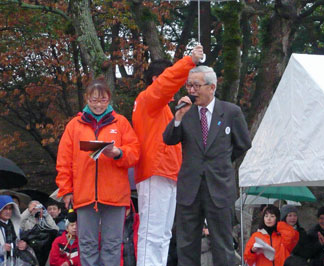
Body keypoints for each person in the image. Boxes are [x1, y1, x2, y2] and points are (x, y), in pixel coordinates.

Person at [163, 65, 252, 266]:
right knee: (186, 245)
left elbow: (242, 144)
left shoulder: (231, 112)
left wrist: (221, 162)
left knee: (223, 243)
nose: (192, 90)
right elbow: (168, 139)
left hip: (219, 187)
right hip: (190, 188)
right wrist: (178, 117)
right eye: (189, 85)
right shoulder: (186, 112)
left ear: (211, 87)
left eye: (196, 85)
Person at [132, 45, 204, 266]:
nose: (178, 84)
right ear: (156, 79)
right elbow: (166, 83)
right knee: (152, 231)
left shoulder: (162, 107)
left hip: (169, 172)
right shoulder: (148, 99)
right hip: (156, 171)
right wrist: (189, 61)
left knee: (163, 234)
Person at [56, 77, 140, 266]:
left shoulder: (121, 123)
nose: (98, 104)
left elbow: (135, 153)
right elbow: (64, 161)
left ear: (108, 99)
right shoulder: (74, 126)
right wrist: (66, 191)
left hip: (115, 195)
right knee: (87, 244)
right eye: (94, 100)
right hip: (84, 195)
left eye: (102, 100)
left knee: (112, 244)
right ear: (86, 99)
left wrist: (118, 152)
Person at [0, 195, 38, 266]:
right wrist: (2, 249)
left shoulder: (16, 225)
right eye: (5, 208)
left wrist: (24, 245)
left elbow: (25, 241)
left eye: (10, 208)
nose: (8, 211)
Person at [20, 200, 59, 266]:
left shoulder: (45, 219)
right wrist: (28, 211)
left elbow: (55, 229)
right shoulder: (26, 220)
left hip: (44, 251)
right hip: (31, 251)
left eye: (38, 206)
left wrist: (46, 215)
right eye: (34, 207)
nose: (36, 209)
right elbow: (18, 223)